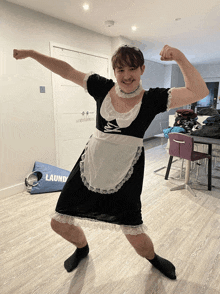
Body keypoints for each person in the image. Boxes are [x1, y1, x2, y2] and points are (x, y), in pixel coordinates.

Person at [13, 45, 209, 280]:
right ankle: (82, 248)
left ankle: (153, 258)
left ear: (142, 69)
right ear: (114, 71)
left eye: (132, 68)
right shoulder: (101, 87)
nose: (127, 75)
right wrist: (33, 53)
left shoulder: (154, 98)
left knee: (134, 233)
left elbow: (197, 91)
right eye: (120, 69)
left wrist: (179, 56)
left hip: (127, 170)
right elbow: (66, 71)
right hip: (90, 164)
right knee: (58, 223)